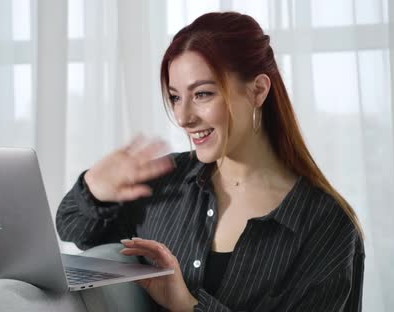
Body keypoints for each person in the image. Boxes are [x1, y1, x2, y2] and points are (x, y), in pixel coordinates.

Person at [56, 11, 364, 312]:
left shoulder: (326, 226)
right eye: (176, 97)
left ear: (258, 91)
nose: (182, 117)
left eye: (202, 94)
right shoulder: (165, 183)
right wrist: (95, 188)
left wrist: (188, 305)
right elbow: (74, 230)